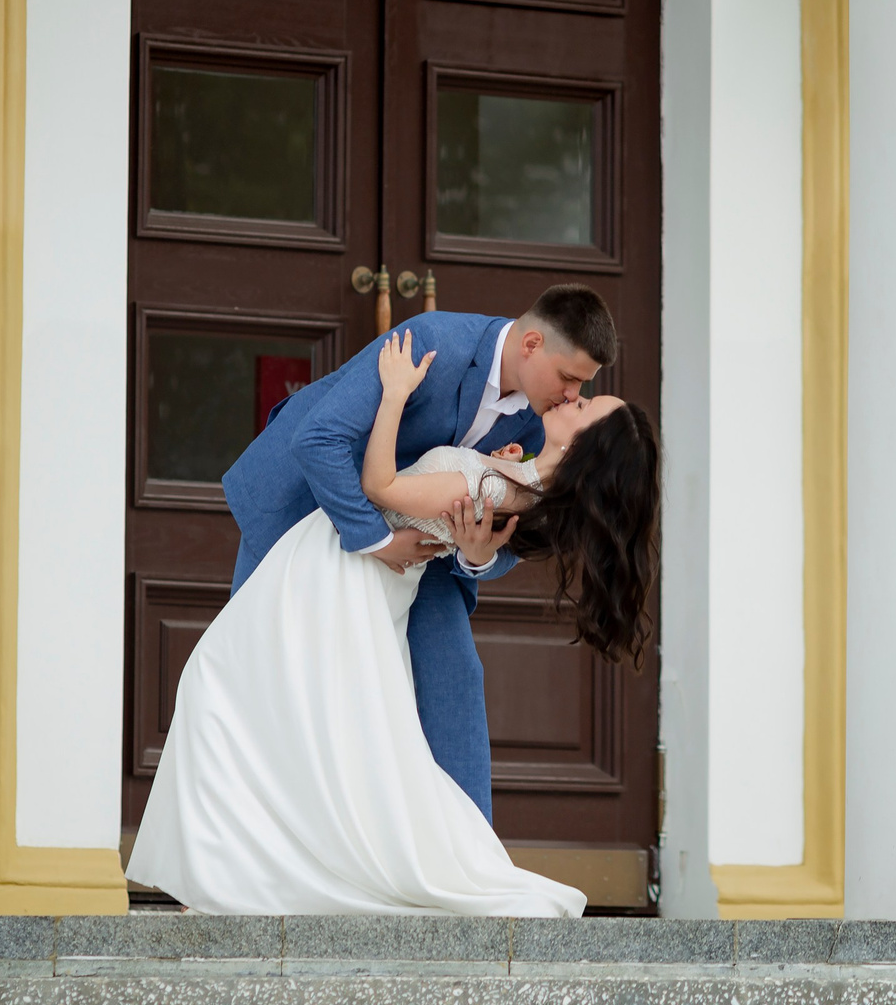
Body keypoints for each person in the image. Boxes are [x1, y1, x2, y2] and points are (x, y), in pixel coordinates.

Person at [128, 329, 660, 914]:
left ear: (585, 448)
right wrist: (495, 477)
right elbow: (463, 497)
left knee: (232, 690)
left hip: (342, 577)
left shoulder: (499, 484)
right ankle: (235, 874)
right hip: (339, 568)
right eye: (578, 388)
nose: (574, 397)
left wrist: (395, 395)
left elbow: (380, 484)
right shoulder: (519, 475)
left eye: (584, 405)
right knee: (273, 712)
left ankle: (235, 878)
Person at [214, 285, 620, 815]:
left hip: (421, 551)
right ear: (532, 344)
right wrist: (380, 541)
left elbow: (518, 524)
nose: (571, 395)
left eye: (582, 388)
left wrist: (477, 555)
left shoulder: (540, 420)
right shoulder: (434, 343)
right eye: (569, 378)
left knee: (455, 672)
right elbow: (320, 440)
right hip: (305, 508)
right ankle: (224, 852)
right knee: (255, 670)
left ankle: (472, 867)